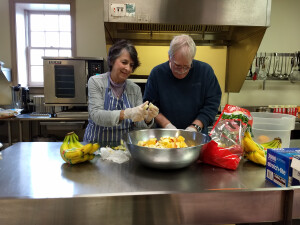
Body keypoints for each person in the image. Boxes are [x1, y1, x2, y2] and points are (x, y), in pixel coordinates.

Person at [84, 39, 159, 144]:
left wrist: (147, 118)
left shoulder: (135, 89)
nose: (128, 68)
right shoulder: (96, 82)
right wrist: (127, 113)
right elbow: (96, 115)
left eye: (131, 65)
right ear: (112, 60)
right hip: (95, 147)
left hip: (123, 148)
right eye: (124, 62)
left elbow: (139, 124)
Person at [143, 34, 222, 134]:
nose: (182, 71)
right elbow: (150, 105)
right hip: (165, 138)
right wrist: (167, 125)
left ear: (192, 59)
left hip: (197, 136)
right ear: (169, 57)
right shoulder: (157, 73)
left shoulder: (205, 72)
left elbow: (212, 104)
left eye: (187, 67)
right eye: (177, 66)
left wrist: (195, 127)